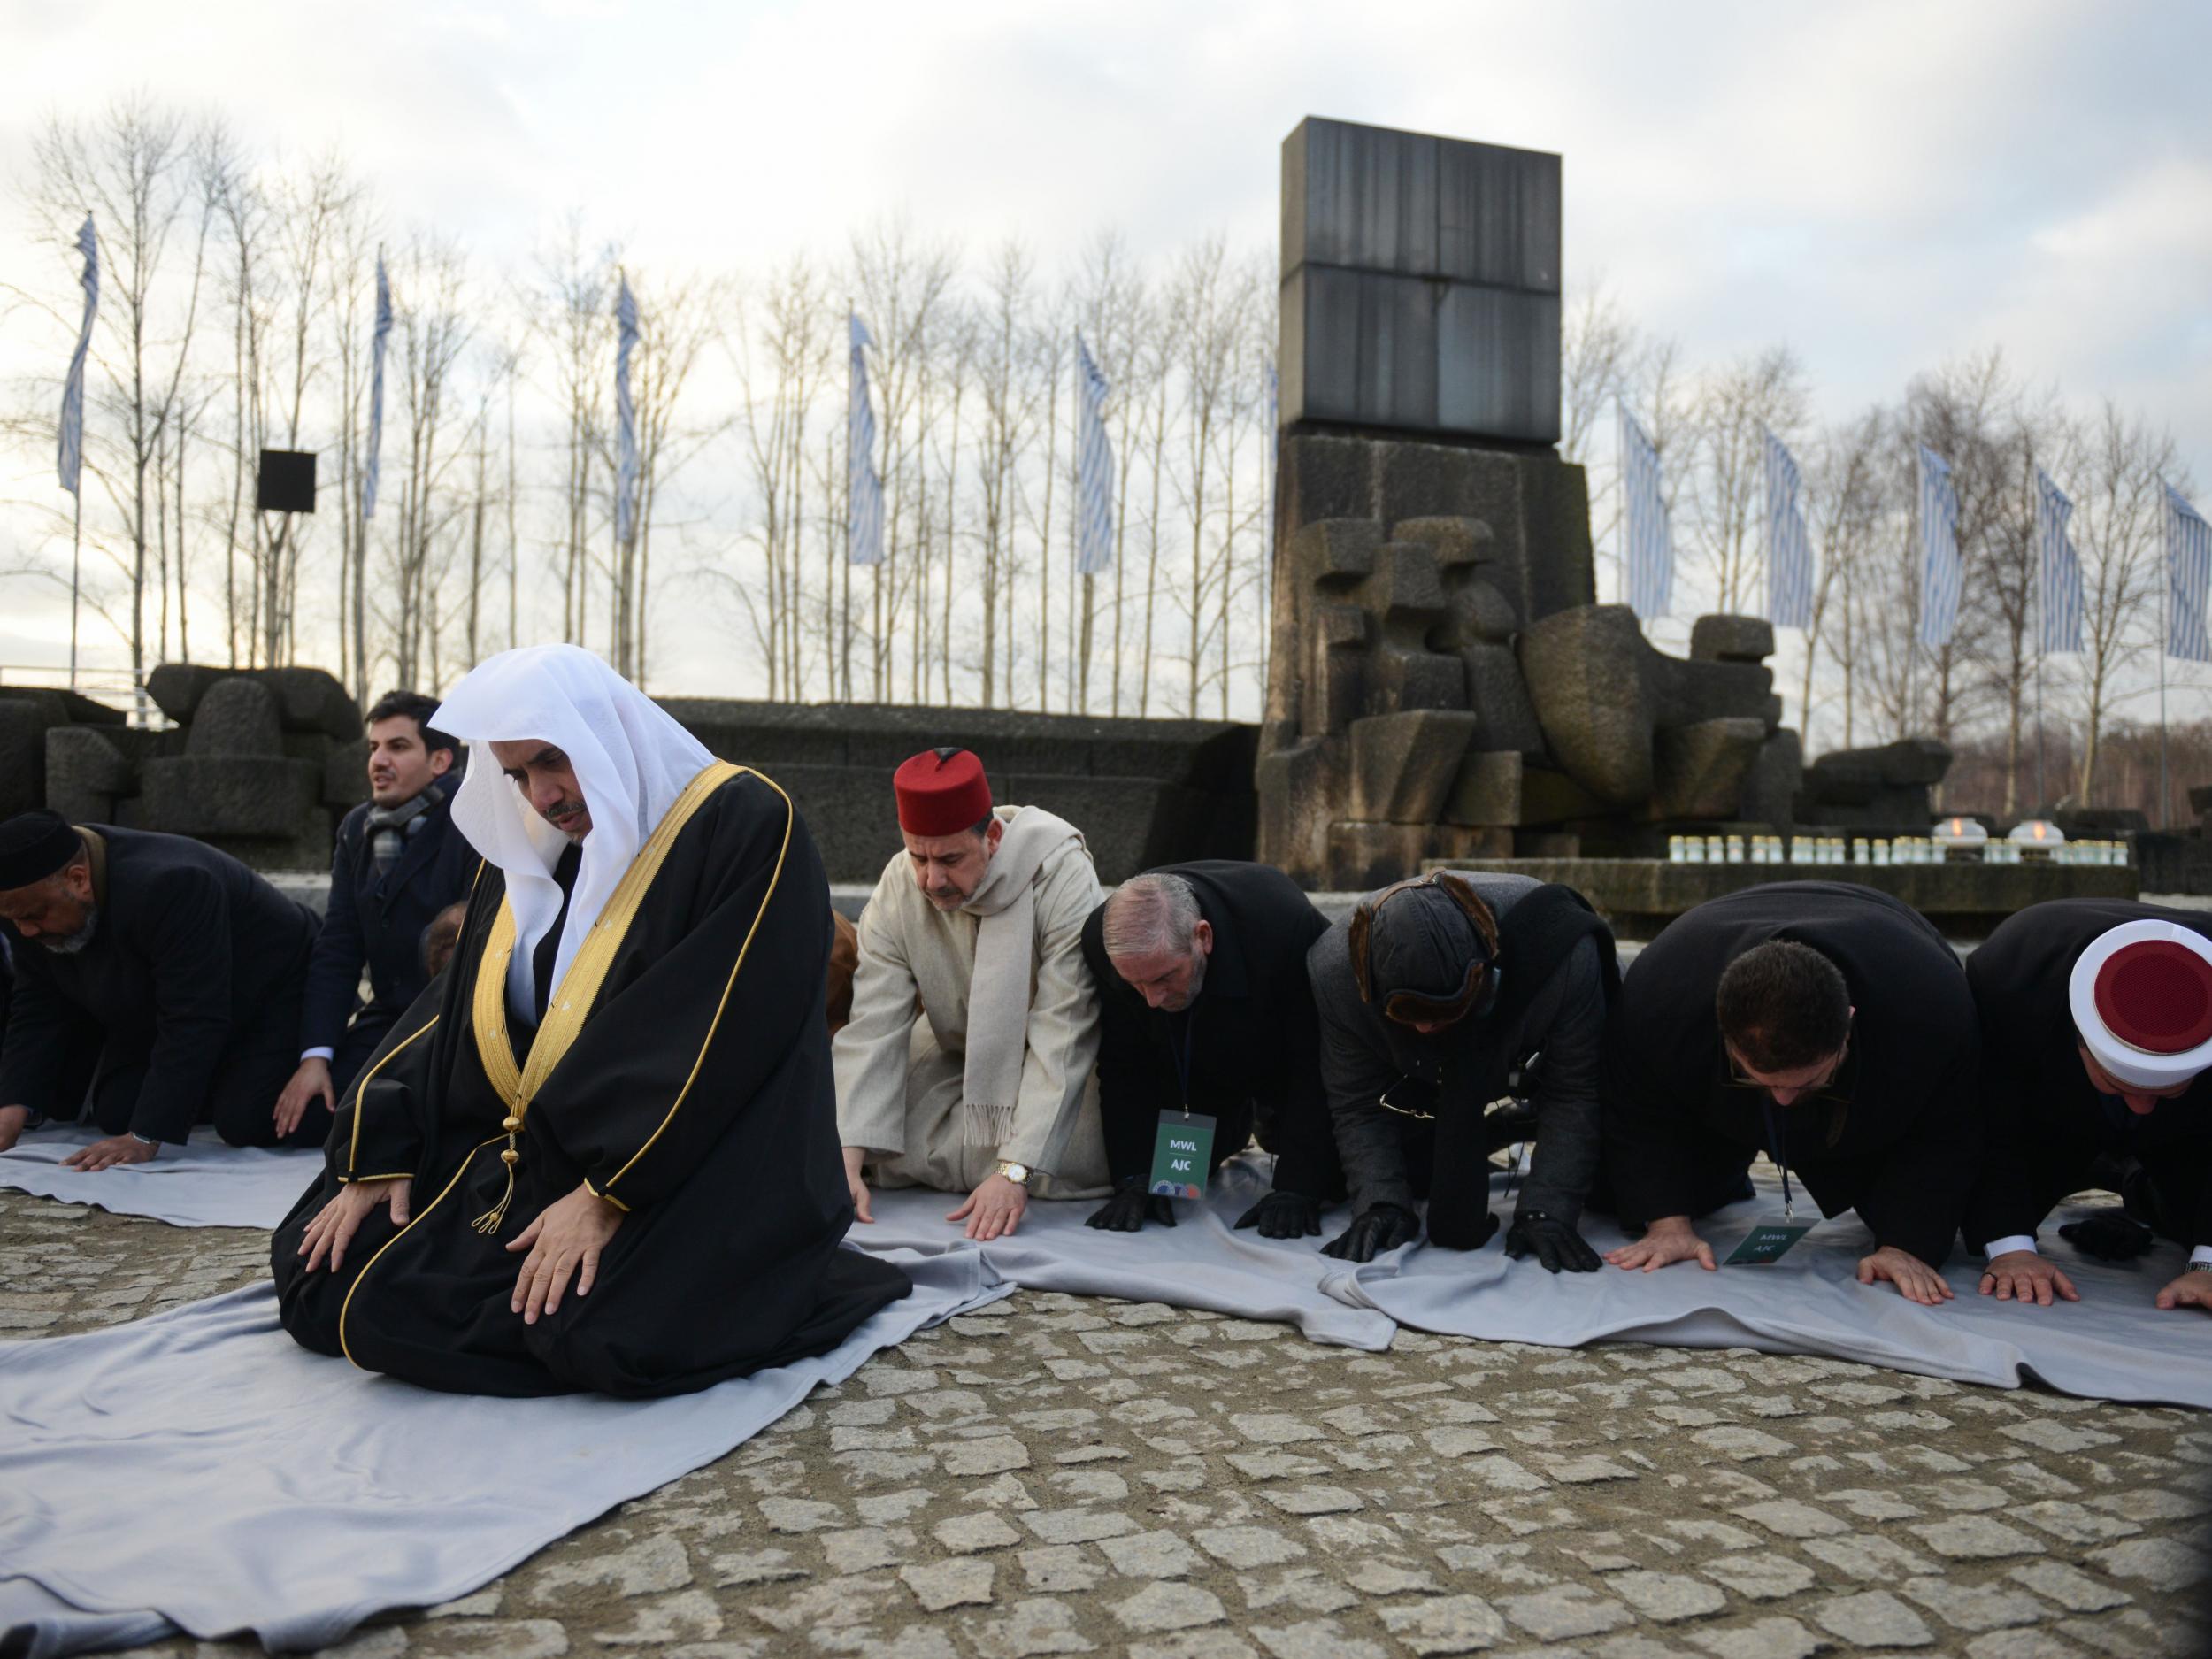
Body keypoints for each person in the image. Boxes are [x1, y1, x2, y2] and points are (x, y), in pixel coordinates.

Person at [271, 644, 909, 1397]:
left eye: (551, 761)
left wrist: (608, 1192)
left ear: (601, 730)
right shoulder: (540, 845)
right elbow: (450, 1012)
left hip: (696, 1155)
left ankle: (797, 1268)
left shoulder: (745, 822)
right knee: (320, 1270)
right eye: (517, 775)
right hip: (549, 1150)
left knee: (591, 1334)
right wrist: (383, 1142)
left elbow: (723, 1033)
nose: (543, 796)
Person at [1600, 881, 1978, 1306]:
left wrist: (1907, 1244)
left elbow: (1947, 1128)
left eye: (1806, 1080)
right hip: (1708, 1027)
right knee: (1626, 1194)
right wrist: (1667, 1223)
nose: (1782, 1098)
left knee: (1910, 1213)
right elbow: (1639, 1107)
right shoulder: (1662, 994)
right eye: (1760, 1079)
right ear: (1722, 1031)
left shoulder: (1931, 1005)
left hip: (1879, 1050)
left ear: (1848, 1027)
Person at [835, 748, 1110, 1240]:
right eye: (917, 857)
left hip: (1054, 1065)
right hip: (952, 1054)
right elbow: (875, 1024)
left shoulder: (1062, 876)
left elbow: (1064, 1029)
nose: (931, 881)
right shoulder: (900, 885)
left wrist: (1016, 1170)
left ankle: (1003, 1163)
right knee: (866, 1134)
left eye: (950, 859)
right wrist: (847, 1154)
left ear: (994, 837)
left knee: (1077, 1149)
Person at [1309, 871, 1618, 1269]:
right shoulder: (1335, 974)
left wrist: (1549, 1208)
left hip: (1524, 1049)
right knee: (1397, 1172)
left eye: (1439, 1016)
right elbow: (1355, 1101)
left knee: (1614, 1186)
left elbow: (1574, 1090)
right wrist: (1379, 1200)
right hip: (1414, 1076)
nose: (1423, 1028)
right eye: (1412, 1017)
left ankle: (1518, 1120)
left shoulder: (1565, 953)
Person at [0, 810, 322, 1165]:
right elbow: (37, 1004)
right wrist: (11, 1109)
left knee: (248, 1117)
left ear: (79, 880)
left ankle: (366, 1092)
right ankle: (223, 1080)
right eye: (14, 920)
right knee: (119, 1110)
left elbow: (193, 1014)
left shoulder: (172, 883)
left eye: (33, 917)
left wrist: (145, 1137)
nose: (26, 931)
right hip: (175, 1000)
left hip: (275, 992)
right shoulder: (27, 904)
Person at [1962, 900, 2212, 1316]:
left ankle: (2134, 1180)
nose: (2142, 1106)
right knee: (1964, 1204)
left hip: (2188, 1133)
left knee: (2184, 1216)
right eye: (2121, 1085)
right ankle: (2094, 1160)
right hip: (2050, 1121)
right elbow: (1990, 1118)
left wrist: (2207, 1261)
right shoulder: (2013, 979)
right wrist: (2011, 1248)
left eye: (2165, 1090)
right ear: (2077, 1039)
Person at [1081, 864, 1342, 1235]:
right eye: (1135, 984)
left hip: (1278, 1048)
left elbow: (1315, 1061)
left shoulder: (1283, 924)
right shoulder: (1101, 939)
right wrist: (1134, 1174)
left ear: (1202, 936)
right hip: (1185, 1063)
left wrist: (1298, 1187)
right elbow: (1124, 1064)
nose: (1151, 1000)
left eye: (1163, 977)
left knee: (1330, 1181)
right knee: (1176, 1176)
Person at [272, 691, 476, 1141]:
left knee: (391, 1125)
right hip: (388, 1017)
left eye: (397, 747)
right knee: (285, 1118)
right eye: (373, 748)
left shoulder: (472, 821)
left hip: (453, 1026)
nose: (378, 761)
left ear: (440, 760)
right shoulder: (356, 828)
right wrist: (315, 1058)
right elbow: (339, 944)